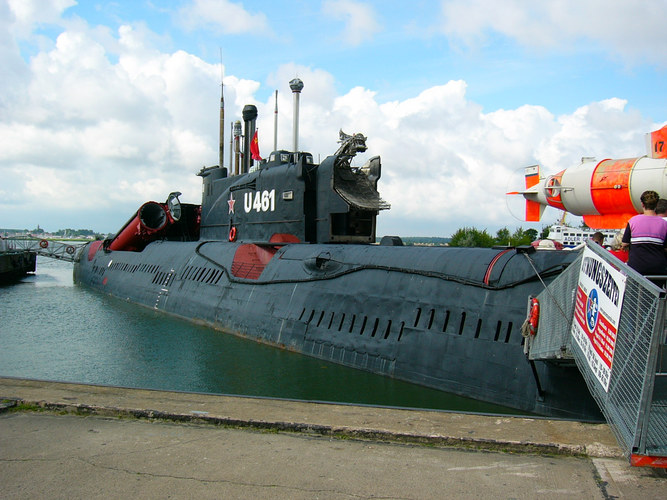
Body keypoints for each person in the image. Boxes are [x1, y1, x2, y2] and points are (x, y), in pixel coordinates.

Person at [621, 190, 667, 276]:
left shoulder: (633, 221)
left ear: (642, 204)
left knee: (633, 288)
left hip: (636, 267)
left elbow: (624, 243)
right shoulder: (664, 224)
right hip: (658, 268)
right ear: (656, 205)